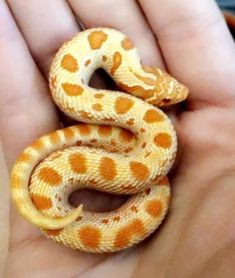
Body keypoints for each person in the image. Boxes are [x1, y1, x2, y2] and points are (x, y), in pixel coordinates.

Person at [1, 0, 235, 277]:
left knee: (148, 171)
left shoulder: (120, 49)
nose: (179, 94)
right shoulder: (114, 52)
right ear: (137, 90)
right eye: (166, 98)